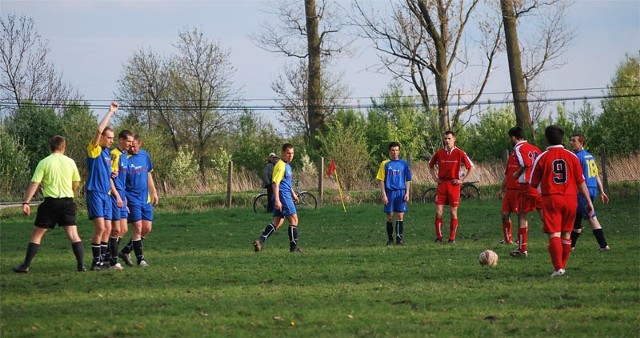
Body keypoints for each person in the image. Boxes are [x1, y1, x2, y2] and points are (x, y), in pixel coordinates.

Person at [13, 135, 85, 273]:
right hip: (67, 201)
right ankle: (81, 265)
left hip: (51, 202)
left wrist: (26, 202)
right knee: (73, 234)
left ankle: (25, 265)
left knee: (37, 234)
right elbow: (76, 182)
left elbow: (35, 183)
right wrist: (71, 192)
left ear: (50, 147)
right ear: (64, 147)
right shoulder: (70, 162)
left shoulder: (44, 162)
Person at [529, 125, 593, 277]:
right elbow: (580, 182)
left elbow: (532, 183)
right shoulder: (572, 157)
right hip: (571, 199)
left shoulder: (543, 157)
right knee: (566, 234)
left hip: (552, 199)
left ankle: (558, 268)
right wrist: (588, 201)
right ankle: (561, 267)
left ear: (546, 138)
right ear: (562, 138)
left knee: (554, 235)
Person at [86, 101, 119, 271]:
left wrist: (111, 175)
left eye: (113, 138)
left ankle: (103, 261)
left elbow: (105, 172)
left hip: (106, 194)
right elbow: (99, 131)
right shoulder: (95, 149)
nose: (111, 141)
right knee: (100, 227)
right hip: (95, 193)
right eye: (109, 137)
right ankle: (95, 262)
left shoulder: (107, 153)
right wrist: (110, 113)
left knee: (107, 228)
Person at [118, 135, 159, 268]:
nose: (132, 147)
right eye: (130, 145)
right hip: (132, 198)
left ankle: (125, 251)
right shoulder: (124, 158)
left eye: (135, 145)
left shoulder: (144, 155)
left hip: (145, 199)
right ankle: (141, 260)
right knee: (138, 228)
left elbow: (148, 174)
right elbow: (120, 181)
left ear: (140, 144)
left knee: (147, 228)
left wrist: (154, 192)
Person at [253, 143, 302, 253]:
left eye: (292, 153)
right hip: (282, 195)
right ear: (283, 153)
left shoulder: (287, 165)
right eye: (288, 153)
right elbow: (275, 183)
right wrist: (277, 199)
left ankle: (260, 241)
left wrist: (293, 193)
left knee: (277, 221)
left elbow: (286, 182)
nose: (290, 155)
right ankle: (294, 247)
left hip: (284, 194)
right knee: (294, 220)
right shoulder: (280, 165)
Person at [428, 130, 476, 243]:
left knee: (453, 212)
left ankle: (452, 238)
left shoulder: (460, 153)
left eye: (449, 138)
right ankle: (439, 237)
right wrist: (435, 178)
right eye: (445, 139)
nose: (447, 141)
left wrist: (462, 180)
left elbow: (472, 167)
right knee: (439, 211)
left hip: (454, 185)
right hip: (442, 184)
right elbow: (430, 165)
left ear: (454, 139)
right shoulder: (439, 153)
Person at [569, 133, 610, 252]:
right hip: (592, 189)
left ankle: (604, 245)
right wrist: (602, 191)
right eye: (571, 140)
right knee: (577, 218)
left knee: (591, 217)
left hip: (583, 190)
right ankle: (570, 245)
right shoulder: (590, 156)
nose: (571, 143)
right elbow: (596, 174)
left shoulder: (576, 157)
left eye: (574, 141)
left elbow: (574, 176)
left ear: (581, 143)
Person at [506, 127, 542, 258]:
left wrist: (517, 173)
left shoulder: (518, 148)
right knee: (544, 215)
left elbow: (526, 164)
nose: (510, 140)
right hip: (538, 186)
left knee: (522, 216)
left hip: (526, 186)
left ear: (514, 137)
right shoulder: (535, 148)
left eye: (510, 138)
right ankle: (559, 241)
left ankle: (522, 249)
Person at [105, 129, 134, 270]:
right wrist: (116, 195)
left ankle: (108, 254)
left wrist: (125, 199)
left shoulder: (124, 156)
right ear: (121, 140)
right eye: (128, 141)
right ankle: (112, 261)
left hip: (122, 196)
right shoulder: (114, 155)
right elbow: (109, 177)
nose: (130, 144)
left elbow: (122, 178)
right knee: (115, 230)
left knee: (123, 229)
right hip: (114, 195)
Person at [376, 142, 412, 245]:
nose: (395, 152)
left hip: (401, 192)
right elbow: (381, 180)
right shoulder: (385, 164)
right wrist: (383, 194)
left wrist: (407, 192)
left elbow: (408, 179)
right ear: (389, 151)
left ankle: (399, 239)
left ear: (399, 151)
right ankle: (390, 239)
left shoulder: (404, 164)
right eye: (392, 150)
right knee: (390, 216)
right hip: (390, 193)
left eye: (396, 150)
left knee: (400, 216)